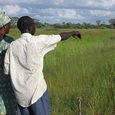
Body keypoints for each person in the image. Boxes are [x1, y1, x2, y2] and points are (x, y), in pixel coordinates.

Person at [4, 16, 81, 115]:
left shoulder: (12, 46)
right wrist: (73, 32)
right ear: (31, 28)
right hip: (37, 94)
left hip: (20, 96)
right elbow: (60, 37)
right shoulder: (38, 41)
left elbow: (7, 71)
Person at [0, 12, 17, 115]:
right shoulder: (10, 42)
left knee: (9, 109)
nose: (11, 25)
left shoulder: (10, 41)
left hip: (8, 82)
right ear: (4, 25)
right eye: (9, 23)